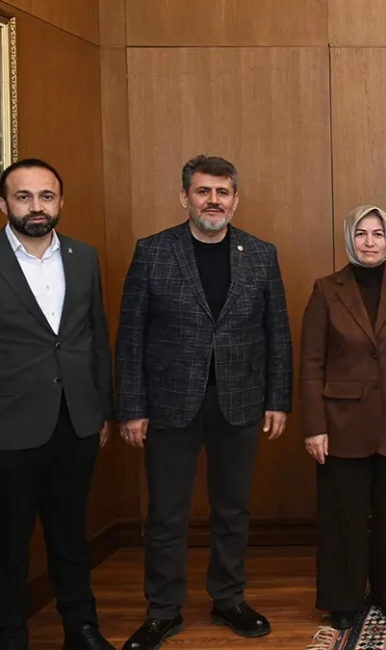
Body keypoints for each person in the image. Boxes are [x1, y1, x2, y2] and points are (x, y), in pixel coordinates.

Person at [115, 155, 293, 649]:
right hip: (169, 404)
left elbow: (276, 331)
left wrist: (278, 399)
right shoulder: (153, 252)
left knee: (233, 510)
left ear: (236, 199)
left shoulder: (261, 254)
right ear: (184, 197)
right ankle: (163, 610)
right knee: (166, 514)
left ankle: (228, 598)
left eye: (222, 192)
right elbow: (130, 336)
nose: (213, 201)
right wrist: (131, 407)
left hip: (239, 402)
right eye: (203, 192)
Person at [0, 159, 115, 650]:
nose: (36, 206)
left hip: (76, 421)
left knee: (71, 536)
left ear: (61, 202)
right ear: (3, 202)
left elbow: (95, 338)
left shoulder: (83, 257)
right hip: (8, 427)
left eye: (46, 196)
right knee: (8, 547)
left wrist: (103, 409)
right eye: (24, 197)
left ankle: (81, 629)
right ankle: (8, 636)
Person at [300, 205, 386, 630]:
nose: (370, 242)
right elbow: (311, 362)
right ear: (348, 239)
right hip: (341, 423)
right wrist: (315, 426)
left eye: (377, 233)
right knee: (344, 516)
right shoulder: (325, 289)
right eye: (361, 234)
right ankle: (343, 598)